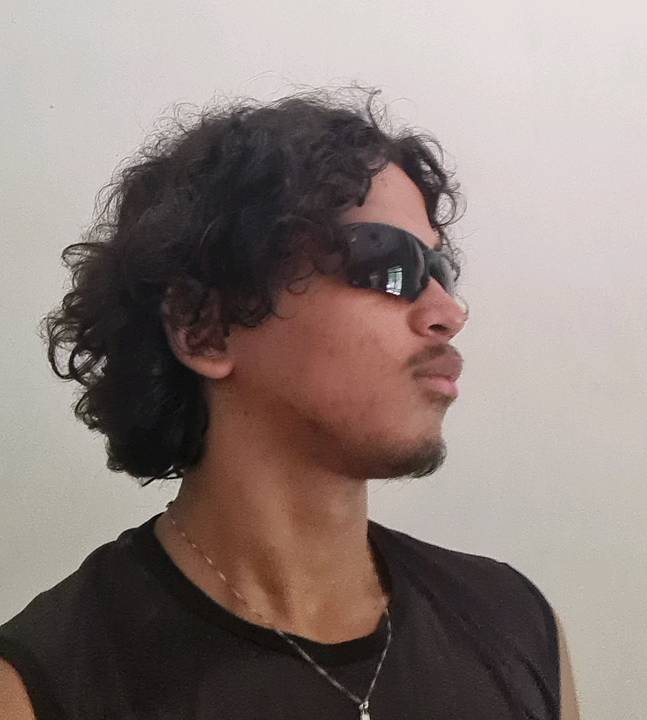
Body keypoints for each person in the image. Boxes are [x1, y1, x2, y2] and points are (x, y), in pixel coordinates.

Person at [0, 88, 580, 719]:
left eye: (442, 272)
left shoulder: (518, 627)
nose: (448, 312)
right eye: (388, 263)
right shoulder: (44, 688)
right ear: (204, 326)